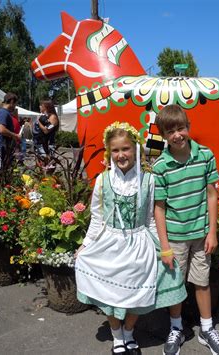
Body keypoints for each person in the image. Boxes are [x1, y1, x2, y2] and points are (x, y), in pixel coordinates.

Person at [75, 122, 187, 355]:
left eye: (125, 149)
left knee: (139, 291)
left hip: (139, 242)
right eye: (115, 150)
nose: (120, 155)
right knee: (108, 293)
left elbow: (149, 219)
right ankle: (117, 337)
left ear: (135, 149)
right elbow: (97, 218)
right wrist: (85, 245)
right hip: (110, 242)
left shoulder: (148, 180)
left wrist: (162, 248)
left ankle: (128, 331)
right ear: (109, 152)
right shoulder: (103, 180)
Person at [153, 105, 219, 355]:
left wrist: (212, 232)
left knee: (202, 281)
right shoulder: (161, 166)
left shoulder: (205, 155)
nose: (177, 135)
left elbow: (211, 195)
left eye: (181, 128)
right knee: (175, 285)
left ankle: (207, 329)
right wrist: (164, 246)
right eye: (170, 131)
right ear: (163, 135)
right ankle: (176, 327)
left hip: (201, 234)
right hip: (175, 237)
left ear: (189, 127)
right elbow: (159, 209)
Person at [0, 93, 20, 172]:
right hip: (1, 146)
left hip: (4, 146)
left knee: (5, 171)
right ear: (11, 102)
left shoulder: (4, 112)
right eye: (15, 104)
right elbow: (1, 129)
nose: (15, 106)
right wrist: (15, 135)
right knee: (0, 172)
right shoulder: (3, 113)